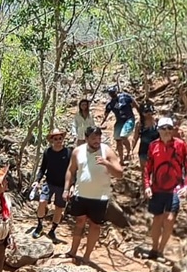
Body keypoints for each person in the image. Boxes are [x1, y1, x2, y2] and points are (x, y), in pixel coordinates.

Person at [64, 126, 124, 263]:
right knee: (79, 222)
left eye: (99, 138)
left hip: (100, 197)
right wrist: (66, 189)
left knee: (95, 225)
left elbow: (120, 174)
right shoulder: (78, 151)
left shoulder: (107, 151)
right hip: (81, 194)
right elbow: (70, 170)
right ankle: (73, 251)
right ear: (86, 138)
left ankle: (86, 257)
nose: (97, 141)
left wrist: (107, 163)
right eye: (93, 138)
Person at [143, 116, 187, 260]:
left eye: (169, 128)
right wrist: (147, 186)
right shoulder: (153, 145)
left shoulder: (181, 145)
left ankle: (161, 250)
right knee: (157, 219)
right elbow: (147, 168)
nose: (167, 131)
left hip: (174, 188)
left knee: (169, 219)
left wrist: (186, 185)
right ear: (158, 129)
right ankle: (154, 249)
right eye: (163, 128)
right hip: (157, 188)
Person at [33, 128, 72, 242]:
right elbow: (43, 168)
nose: (59, 140)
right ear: (52, 140)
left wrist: (71, 185)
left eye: (60, 138)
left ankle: (52, 231)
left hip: (62, 185)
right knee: (42, 202)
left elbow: (72, 170)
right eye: (56, 139)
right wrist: (37, 180)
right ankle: (40, 225)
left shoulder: (68, 152)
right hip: (49, 182)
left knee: (59, 208)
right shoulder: (47, 152)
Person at [101, 86, 139, 165]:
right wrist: (102, 122)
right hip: (119, 121)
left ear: (116, 92)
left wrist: (141, 114)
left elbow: (135, 104)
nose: (112, 94)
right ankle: (121, 159)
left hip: (129, 119)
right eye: (111, 94)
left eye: (113, 93)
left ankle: (129, 152)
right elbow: (106, 114)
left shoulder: (125, 96)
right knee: (118, 140)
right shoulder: (110, 104)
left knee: (123, 136)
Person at [133, 106, 160, 194]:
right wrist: (131, 150)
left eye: (150, 111)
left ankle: (156, 189)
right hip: (143, 150)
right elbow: (135, 138)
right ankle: (145, 190)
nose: (148, 113)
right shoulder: (139, 124)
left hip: (156, 150)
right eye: (146, 112)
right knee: (144, 171)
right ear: (142, 113)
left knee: (157, 170)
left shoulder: (157, 122)